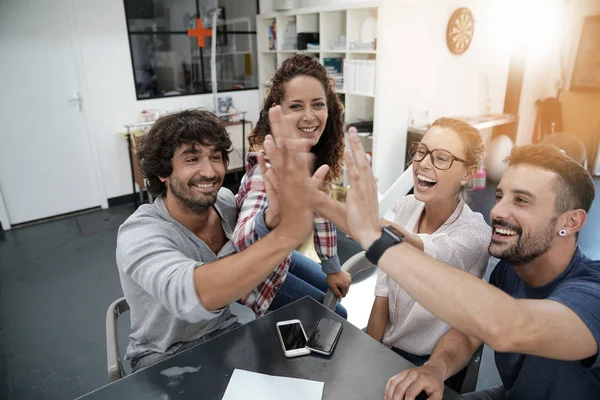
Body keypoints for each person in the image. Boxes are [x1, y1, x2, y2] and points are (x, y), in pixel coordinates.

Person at [336, 135, 599, 400]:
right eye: (500, 196)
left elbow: (509, 326)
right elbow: (470, 332)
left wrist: (376, 241)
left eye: (521, 201)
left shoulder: (593, 292)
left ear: (572, 221)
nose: (497, 211)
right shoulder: (510, 271)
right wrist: (435, 369)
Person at [116, 108, 320, 372]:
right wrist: (285, 235)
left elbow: (248, 237)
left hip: (225, 332)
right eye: (192, 159)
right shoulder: (139, 232)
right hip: (164, 355)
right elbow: (191, 295)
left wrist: (272, 218)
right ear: (163, 172)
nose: (210, 172)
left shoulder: (223, 200)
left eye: (216, 157)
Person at [232, 54, 351, 317]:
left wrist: (332, 267)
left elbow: (321, 214)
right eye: (296, 106)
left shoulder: (312, 156)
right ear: (279, 111)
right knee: (337, 314)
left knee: (336, 299)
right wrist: (272, 218)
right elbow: (240, 242)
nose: (310, 116)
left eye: (317, 104)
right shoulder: (268, 169)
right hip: (255, 274)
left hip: (281, 258)